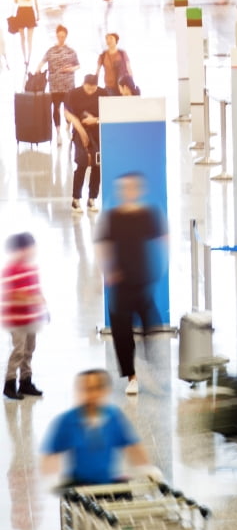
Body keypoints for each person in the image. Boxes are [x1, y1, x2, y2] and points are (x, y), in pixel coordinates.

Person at [95, 173, 166, 396]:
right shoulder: (113, 217)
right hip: (120, 285)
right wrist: (108, 270)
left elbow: (162, 238)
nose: (127, 192)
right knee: (122, 333)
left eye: (131, 188)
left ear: (138, 190)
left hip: (142, 282)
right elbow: (102, 244)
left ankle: (152, 369)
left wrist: (161, 265)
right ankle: (131, 376)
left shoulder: (147, 214)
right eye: (124, 188)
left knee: (151, 328)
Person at [41, 370, 151, 486]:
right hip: (79, 484)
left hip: (108, 482)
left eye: (97, 389)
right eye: (87, 389)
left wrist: (147, 469)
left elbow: (133, 447)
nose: (92, 395)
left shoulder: (114, 417)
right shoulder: (68, 421)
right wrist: (52, 477)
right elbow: (51, 453)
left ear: (105, 391)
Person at [2, 232, 47, 401]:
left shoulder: (31, 268)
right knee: (18, 351)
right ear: (20, 250)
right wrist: (33, 298)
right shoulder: (11, 269)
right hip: (16, 320)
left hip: (30, 318)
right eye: (29, 247)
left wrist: (42, 304)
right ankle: (9, 383)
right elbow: (15, 295)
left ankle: (26, 382)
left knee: (29, 351)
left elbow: (36, 288)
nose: (32, 251)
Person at [36, 25, 80, 146]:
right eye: (59, 36)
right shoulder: (51, 50)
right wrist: (38, 69)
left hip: (68, 86)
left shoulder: (71, 51)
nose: (61, 38)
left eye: (63, 36)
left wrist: (71, 69)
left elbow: (78, 65)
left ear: (66, 36)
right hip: (55, 86)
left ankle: (68, 126)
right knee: (55, 108)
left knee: (68, 109)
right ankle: (58, 133)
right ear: (56, 36)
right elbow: (42, 61)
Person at [65, 74, 102, 213]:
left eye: (93, 88)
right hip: (80, 132)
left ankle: (92, 199)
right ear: (83, 84)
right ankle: (76, 199)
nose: (91, 91)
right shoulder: (73, 93)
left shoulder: (103, 93)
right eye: (88, 88)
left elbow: (110, 112)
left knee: (97, 166)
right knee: (82, 164)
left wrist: (96, 119)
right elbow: (67, 113)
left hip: (98, 132)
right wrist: (81, 130)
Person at [11, 0, 38, 67]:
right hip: (30, 12)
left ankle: (24, 58)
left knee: (22, 38)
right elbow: (36, 3)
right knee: (30, 39)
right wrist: (38, 14)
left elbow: (15, 2)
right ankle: (29, 57)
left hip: (21, 12)